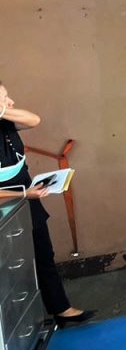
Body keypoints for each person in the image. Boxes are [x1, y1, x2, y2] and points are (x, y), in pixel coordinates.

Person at [0, 82, 95, 326]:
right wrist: (23, 194)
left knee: (44, 254)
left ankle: (61, 309)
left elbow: (34, 119)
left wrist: (3, 110)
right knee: (9, 265)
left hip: (28, 197)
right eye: (4, 99)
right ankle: (15, 322)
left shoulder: (7, 122)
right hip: (9, 205)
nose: (11, 102)